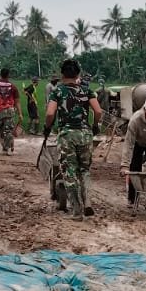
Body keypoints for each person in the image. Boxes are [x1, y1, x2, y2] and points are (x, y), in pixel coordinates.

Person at [44, 58, 103, 219]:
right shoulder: (86, 91)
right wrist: (95, 125)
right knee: (84, 170)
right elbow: (98, 111)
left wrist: (47, 127)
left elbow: (50, 113)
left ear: (62, 74)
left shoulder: (57, 91)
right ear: (78, 74)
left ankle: (77, 209)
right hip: (85, 134)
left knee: (69, 171)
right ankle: (87, 201)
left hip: (67, 135)